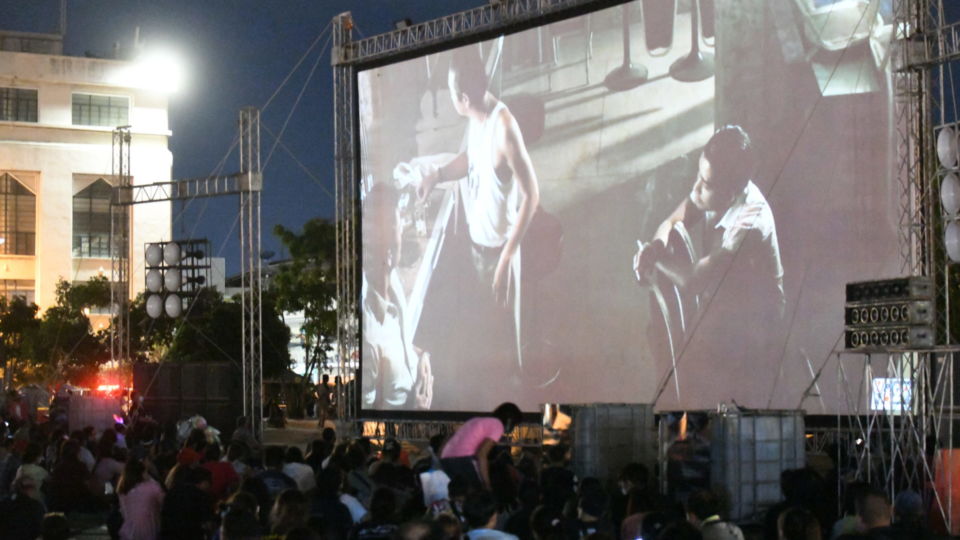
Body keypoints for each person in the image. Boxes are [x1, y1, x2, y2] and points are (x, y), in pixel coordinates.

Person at [412, 45, 541, 385]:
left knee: (505, 342)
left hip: (500, 252)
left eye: (453, 94)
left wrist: (507, 257)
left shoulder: (504, 127)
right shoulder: (477, 116)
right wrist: (435, 175)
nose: (452, 100)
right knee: (484, 332)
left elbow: (533, 194)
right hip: (478, 248)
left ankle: (517, 397)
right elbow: (469, 159)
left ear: (464, 97)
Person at [634, 125, 784, 315]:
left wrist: (654, 257)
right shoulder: (718, 188)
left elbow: (693, 282)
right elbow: (670, 222)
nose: (695, 188)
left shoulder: (749, 226)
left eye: (706, 184)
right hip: (727, 296)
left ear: (731, 193)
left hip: (759, 316)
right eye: (699, 175)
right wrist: (655, 247)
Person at [360, 182, 434, 410]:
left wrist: (422, 356)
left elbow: (399, 342)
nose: (402, 229)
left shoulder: (391, 281)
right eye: (397, 225)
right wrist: (417, 412)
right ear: (390, 254)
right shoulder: (369, 334)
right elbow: (370, 416)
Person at [440, 402, 522, 490]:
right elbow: (482, 454)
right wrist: (487, 484)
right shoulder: (498, 425)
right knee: (476, 493)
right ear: (510, 421)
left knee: (461, 491)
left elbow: (450, 437)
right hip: (463, 459)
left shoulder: (477, 420)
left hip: (446, 459)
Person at [117, 457, 164, 540]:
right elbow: (164, 503)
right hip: (149, 533)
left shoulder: (123, 490)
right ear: (142, 473)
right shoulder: (152, 487)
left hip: (128, 532)